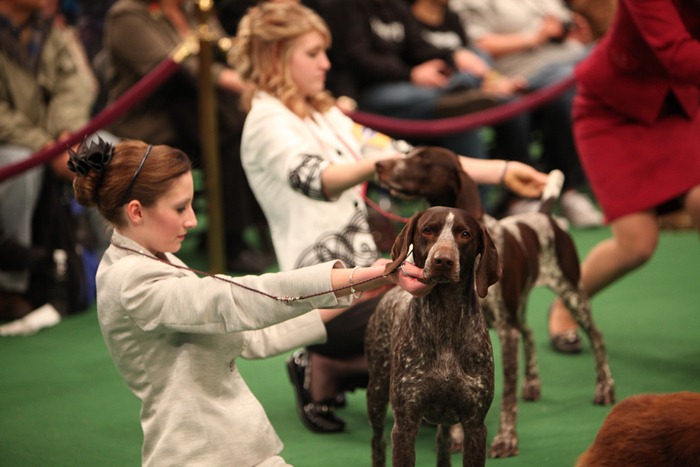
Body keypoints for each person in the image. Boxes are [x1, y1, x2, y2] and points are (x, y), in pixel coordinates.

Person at [229, 1, 549, 433]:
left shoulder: (324, 113)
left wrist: (504, 171)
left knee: (448, 304)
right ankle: (324, 359)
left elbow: (411, 159)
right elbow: (318, 180)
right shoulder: (267, 121)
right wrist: (372, 166)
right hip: (324, 296)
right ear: (275, 58)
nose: (326, 63)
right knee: (440, 303)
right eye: (312, 53)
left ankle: (329, 368)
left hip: (365, 278)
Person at [69, 136, 433, 466]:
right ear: (136, 211)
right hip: (198, 454)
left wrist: (366, 287)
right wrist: (360, 275)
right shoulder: (132, 281)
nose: (193, 220)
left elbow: (251, 338)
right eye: (180, 208)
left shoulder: (152, 256)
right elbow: (237, 300)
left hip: (234, 446)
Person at [546, 0, 700, 353]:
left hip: (680, 107)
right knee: (636, 244)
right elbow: (679, 54)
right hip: (611, 111)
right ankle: (567, 304)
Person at [102, 0, 272, 273]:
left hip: (197, 111)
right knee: (228, 134)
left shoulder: (195, 7)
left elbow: (223, 50)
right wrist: (235, 81)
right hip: (150, 123)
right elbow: (171, 70)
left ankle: (237, 231)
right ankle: (231, 240)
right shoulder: (126, 14)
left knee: (243, 126)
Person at [452, 0, 605, 228]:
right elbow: (475, 46)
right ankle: (554, 193)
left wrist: (575, 35)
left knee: (599, 59)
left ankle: (569, 191)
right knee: (567, 87)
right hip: (516, 76)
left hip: (568, 61)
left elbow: (563, 27)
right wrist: (535, 37)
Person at [0, 0, 104, 325]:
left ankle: (114, 268)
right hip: (13, 143)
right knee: (19, 167)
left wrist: (65, 136)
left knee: (107, 151)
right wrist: (44, 146)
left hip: (56, 138)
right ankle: (12, 287)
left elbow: (74, 88)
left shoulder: (51, 28)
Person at [338, 0, 527, 160]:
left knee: (462, 107)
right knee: (458, 107)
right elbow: (357, 58)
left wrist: (452, 56)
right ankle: (466, 89)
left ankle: (464, 89)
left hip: (418, 88)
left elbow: (419, 45)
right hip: (373, 92)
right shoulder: (349, 6)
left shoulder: (396, 6)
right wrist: (410, 73)